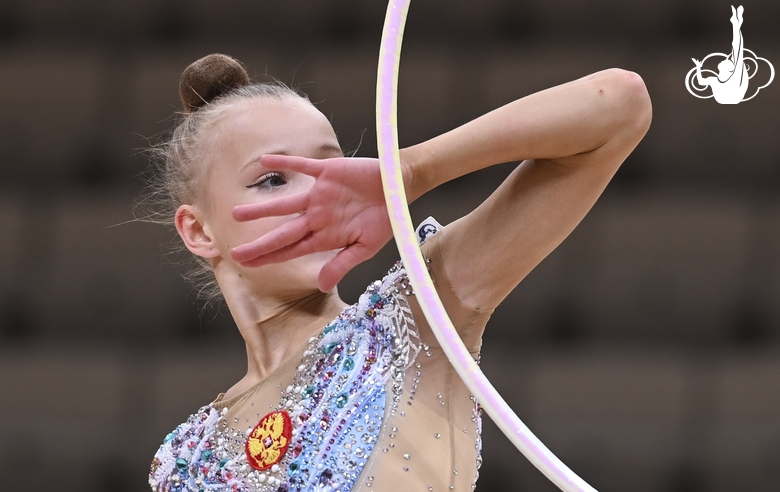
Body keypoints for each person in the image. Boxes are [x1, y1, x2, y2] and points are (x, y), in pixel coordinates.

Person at [148, 53, 651, 492]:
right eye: (273, 180)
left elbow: (618, 106)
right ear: (199, 231)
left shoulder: (418, 318)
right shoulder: (184, 462)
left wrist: (409, 172)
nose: (314, 198)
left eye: (329, 168)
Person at [692, 5, 748, 104]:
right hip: (726, 98)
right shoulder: (714, 80)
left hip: (733, 97)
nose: (725, 59)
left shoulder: (735, 78)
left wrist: (736, 26)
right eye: (728, 60)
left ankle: (736, 23)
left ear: (730, 70)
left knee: (737, 50)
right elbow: (700, 82)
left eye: (728, 61)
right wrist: (698, 67)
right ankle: (736, 23)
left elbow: (737, 49)